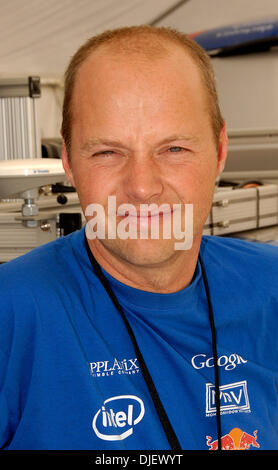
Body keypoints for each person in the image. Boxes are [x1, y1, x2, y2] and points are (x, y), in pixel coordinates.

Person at [0, 25, 277, 451]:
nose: (143, 187)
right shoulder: (13, 314)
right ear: (70, 162)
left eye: (174, 150)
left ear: (220, 151)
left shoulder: (270, 286)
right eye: (108, 152)